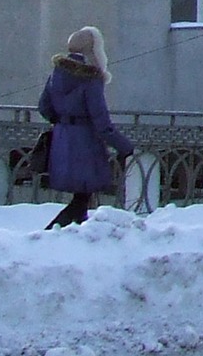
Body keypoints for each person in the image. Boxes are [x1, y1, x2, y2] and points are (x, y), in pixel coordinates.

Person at [38, 25, 134, 229]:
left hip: (62, 139)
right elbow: (101, 120)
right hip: (85, 143)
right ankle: (48, 236)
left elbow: (44, 107)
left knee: (81, 198)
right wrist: (123, 146)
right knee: (82, 196)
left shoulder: (57, 72)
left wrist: (63, 123)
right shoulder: (91, 77)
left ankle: (76, 236)